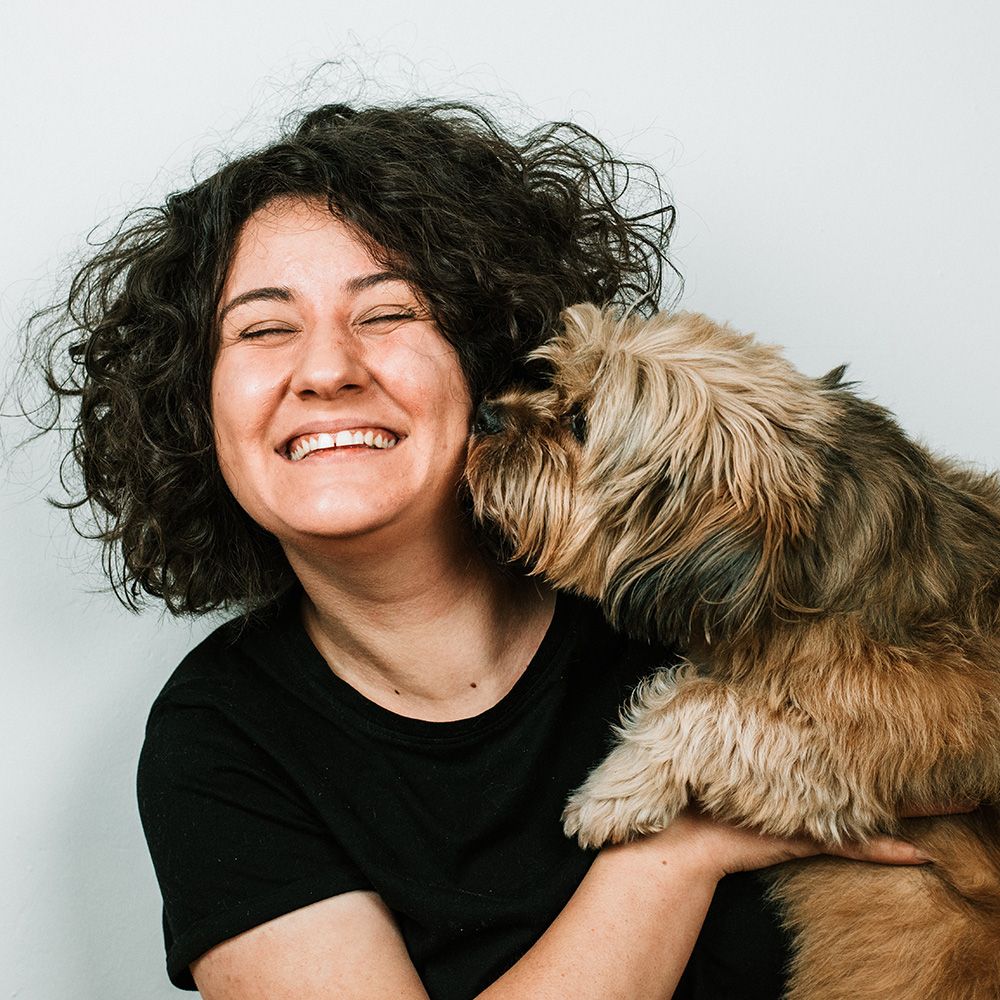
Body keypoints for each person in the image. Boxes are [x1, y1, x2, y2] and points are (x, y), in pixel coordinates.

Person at [37, 100, 942, 999]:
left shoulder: (701, 574)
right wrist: (678, 848)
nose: (326, 370)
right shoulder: (220, 739)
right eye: (265, 328)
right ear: (195, 409)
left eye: (388, 313)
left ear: (486, 356)